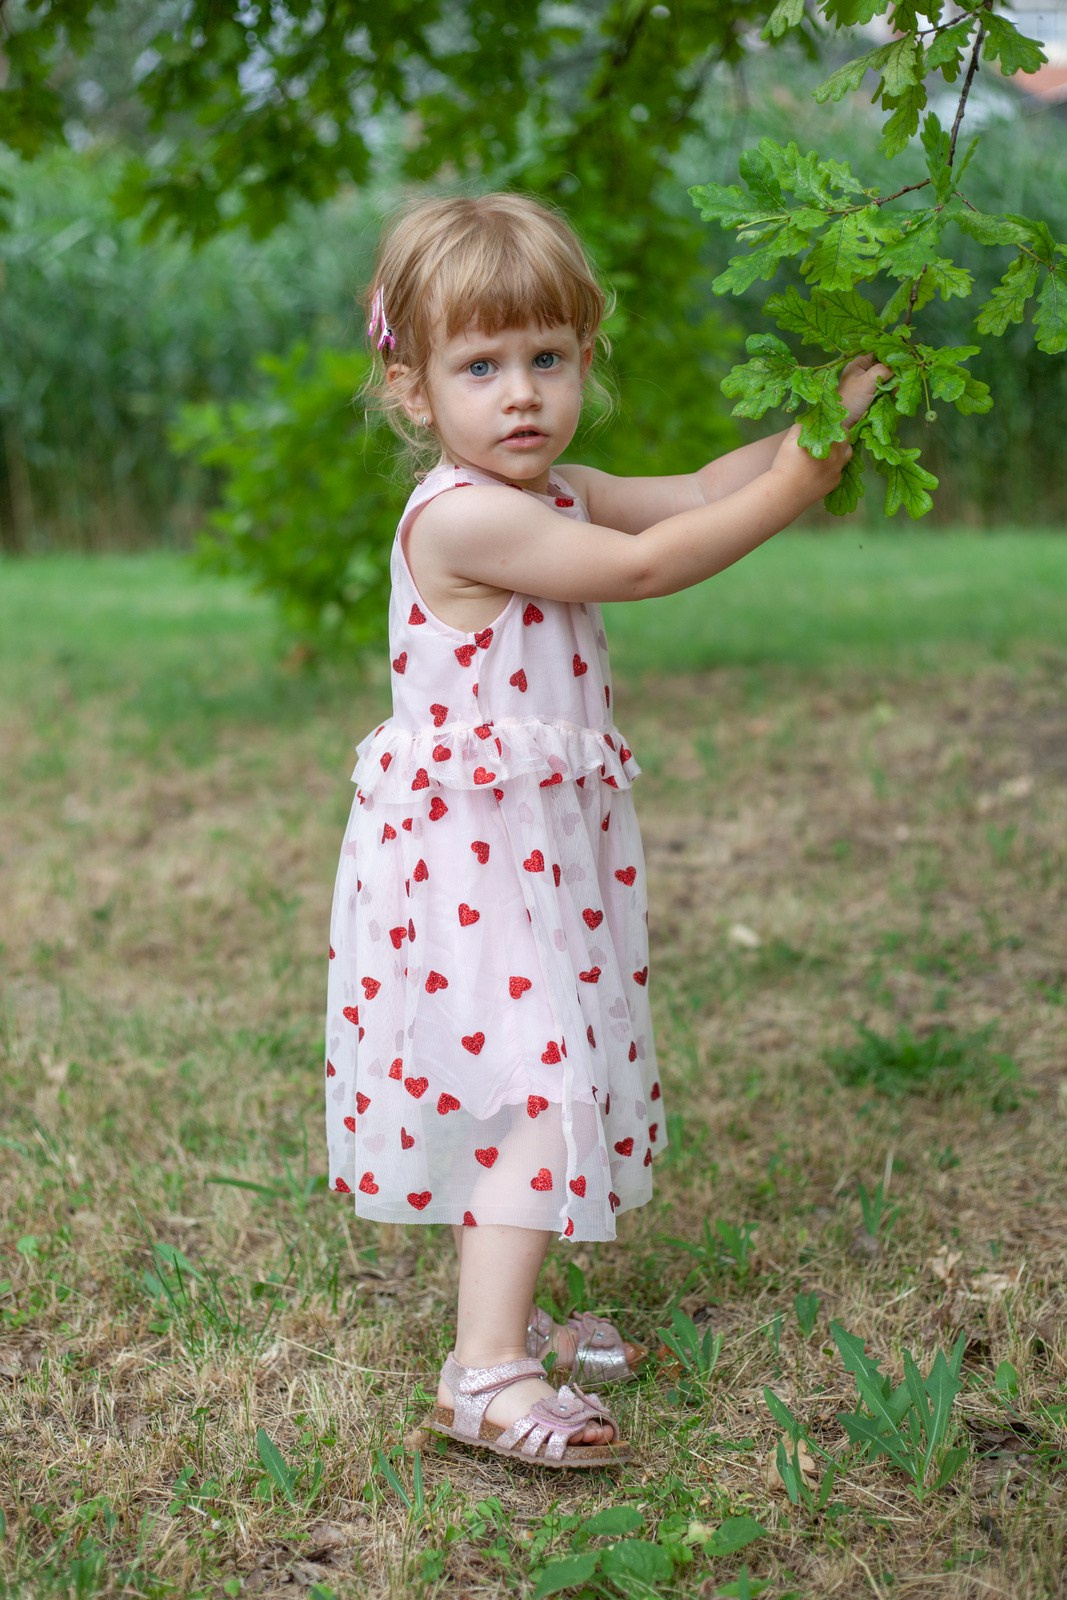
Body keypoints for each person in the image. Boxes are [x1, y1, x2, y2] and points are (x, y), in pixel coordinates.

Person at [325, 192, 889, 1469]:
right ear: (412, 390)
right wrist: (799, 488)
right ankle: (480, 1374)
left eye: (547, 358)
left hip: (531, 854)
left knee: (545, 1071)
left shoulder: (560, 485)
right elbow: (649, 563)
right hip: (472, 864)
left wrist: (813, 425)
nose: (520, 393)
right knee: (541, 1088)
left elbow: (690, 486)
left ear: (584, 359)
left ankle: (509, 1312)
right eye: (479, 366)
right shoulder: (465, 517)